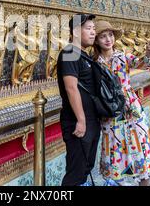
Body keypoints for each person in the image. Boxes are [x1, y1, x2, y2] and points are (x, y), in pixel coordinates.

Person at [93, 20, 150, 186]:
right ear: (96, 41)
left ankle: (145, 181)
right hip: (109, 109)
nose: (108, 39)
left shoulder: (123, 56)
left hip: (130, 105)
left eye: (110, 35)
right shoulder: (95, 63)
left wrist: (148, 53)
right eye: (102, 37)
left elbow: (142, 64)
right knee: (114, 145)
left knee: (140, 138)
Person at [57, 14, 101, 186]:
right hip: (78, 122)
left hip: (91, 121)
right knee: (75, 174)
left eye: (94, 29)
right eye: (88, 29)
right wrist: (81, 121)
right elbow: (71, 87)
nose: (93, 33)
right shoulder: (69, 52)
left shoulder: (84, 55)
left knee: (85, 170)